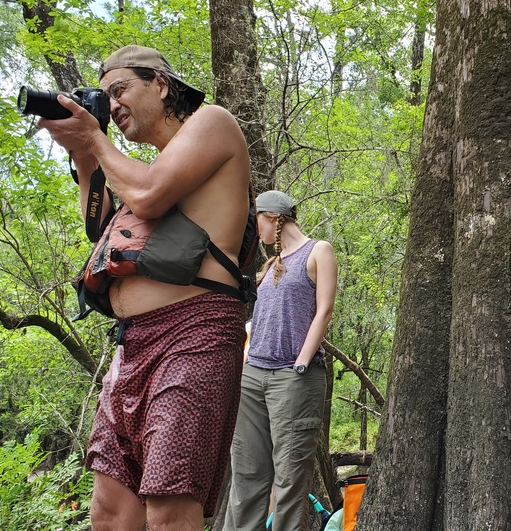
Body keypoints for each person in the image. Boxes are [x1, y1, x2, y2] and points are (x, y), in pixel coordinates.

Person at [38, 44, 253, 530]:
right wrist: (83, 155)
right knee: (111, 510)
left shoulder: (213, 123)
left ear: (159, 83)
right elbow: (102, 227)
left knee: (170, 508)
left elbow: (150, 198)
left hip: (194, 337)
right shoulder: (143, 168)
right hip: (130, 345)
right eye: (105, 97)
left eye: (121, 90)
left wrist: (94, 140)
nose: (112, 105)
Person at [225, 190, 338, 531]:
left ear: (274, 217)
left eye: (256, 221)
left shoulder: (318, 250)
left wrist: (301, 362)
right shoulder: (271, 265)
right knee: (246, 477)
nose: (255, 230)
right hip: (254, 375)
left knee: (289, 480)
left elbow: (325, 309)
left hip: (294, 377)